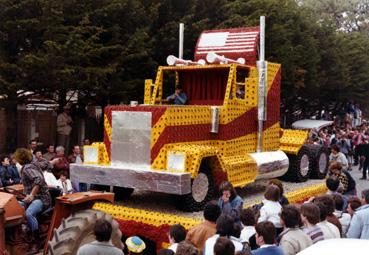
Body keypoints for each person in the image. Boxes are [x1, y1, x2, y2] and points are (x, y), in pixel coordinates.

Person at [14, 148, 51, 253]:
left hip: (41, 198)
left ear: (20, 159)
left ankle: (36, 241)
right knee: (16, 206)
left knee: (29, 213)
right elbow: (48, 164)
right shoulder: (33, 164)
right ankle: (22, 233)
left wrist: (32, 195)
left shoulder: (27, 168)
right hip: (34, 197)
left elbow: (38, 180)